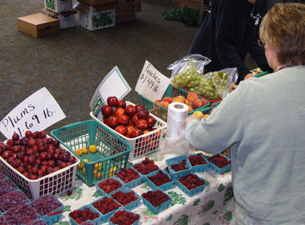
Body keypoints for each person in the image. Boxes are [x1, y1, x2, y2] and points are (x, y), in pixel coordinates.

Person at [185, 3, 305, 224]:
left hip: (262, 217)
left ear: (275, 47)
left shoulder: (253, 92)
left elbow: (205, 140)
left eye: (264, 42)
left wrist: (191, 122)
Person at [189, 0, 272, 84]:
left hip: (229, 63)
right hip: (207, 62)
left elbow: (254, 40)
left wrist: (272, 66)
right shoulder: (227, 3)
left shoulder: (260, 3)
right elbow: (223, 45)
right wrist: (244, 74)